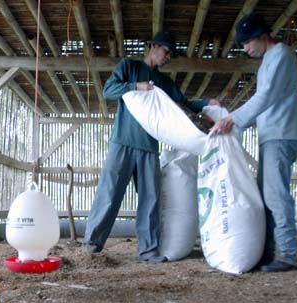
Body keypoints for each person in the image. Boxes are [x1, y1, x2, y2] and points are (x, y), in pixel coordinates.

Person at [83, 32, 217, 262]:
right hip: (123, 142)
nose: (168, 57)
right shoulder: (129, 67)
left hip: (149, 147)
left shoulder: (165, 83)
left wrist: (206, 103)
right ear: (153, 46)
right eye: (166, 51)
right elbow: (109, 91)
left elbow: (184, 104)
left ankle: (148, 251)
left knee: (151, 199)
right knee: (110, 192)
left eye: (171, 54)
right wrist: (136, 86)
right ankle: (92, 244)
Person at [210, 13, 297, 273]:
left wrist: (232, 119)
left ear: (263, 36)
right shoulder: (268, 61)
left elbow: (266, 97)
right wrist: (234, 120)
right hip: (271, 135)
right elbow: (264, 102)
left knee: (276, 195)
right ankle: (272, 253)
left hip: (281, 134)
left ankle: (286, 255)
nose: (246, 48)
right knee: (268, 195)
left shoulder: (281, 55)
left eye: (248, 42)